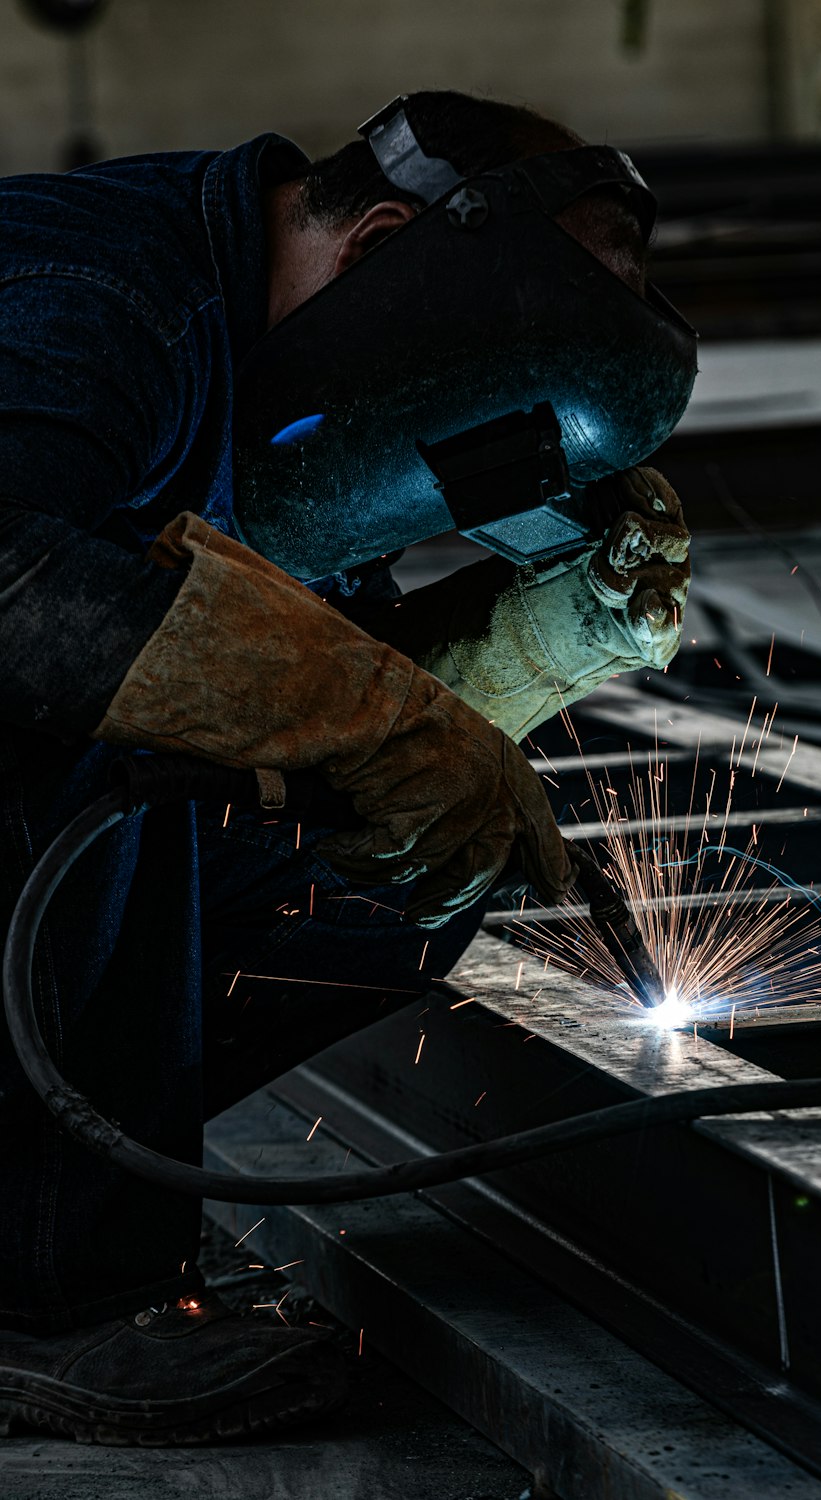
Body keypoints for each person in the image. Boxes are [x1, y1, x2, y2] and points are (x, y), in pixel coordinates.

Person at [0, 90, 691, 1444]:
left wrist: (509, 655)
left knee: (403, 857)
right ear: (378, 253)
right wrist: (366, 715)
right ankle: (36, 1305)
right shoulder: (94, 297)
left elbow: (296, 686)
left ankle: (82, 1241)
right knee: (80, 731)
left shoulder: (281, 378)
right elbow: (16, 586)